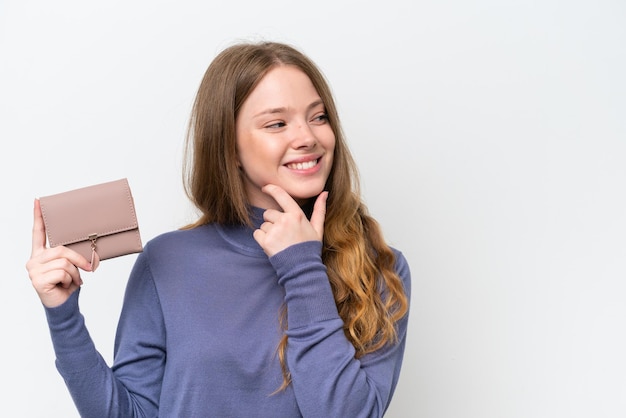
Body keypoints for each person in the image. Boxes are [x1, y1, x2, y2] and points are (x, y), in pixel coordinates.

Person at [26, 40, 411, 417]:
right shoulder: (168, 261)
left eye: (319, 116)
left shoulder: (377, 268)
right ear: (229, 146)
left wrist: (303, 268)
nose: (308, 137)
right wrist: (63, 316)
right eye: (277, 123)